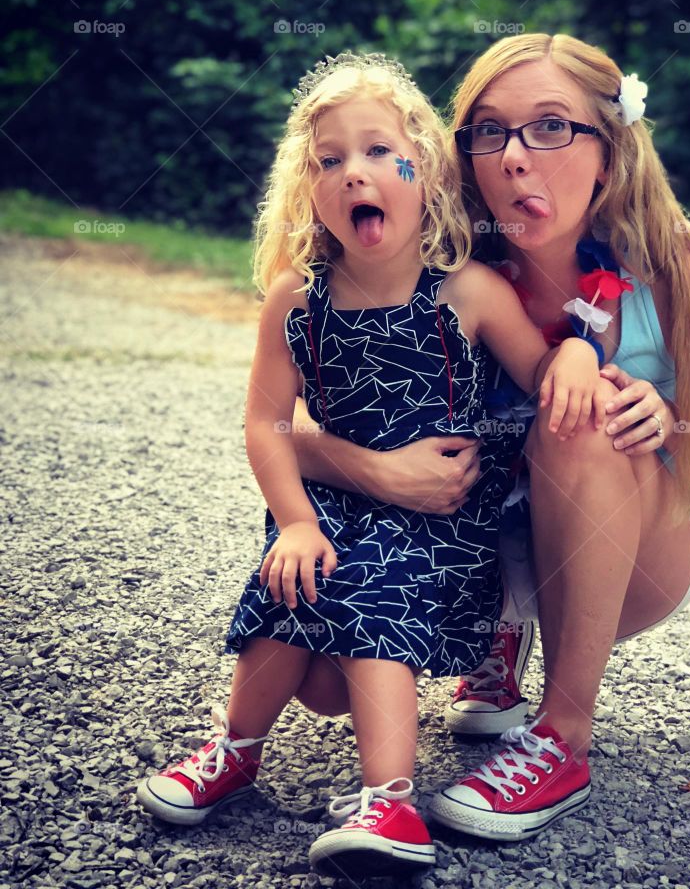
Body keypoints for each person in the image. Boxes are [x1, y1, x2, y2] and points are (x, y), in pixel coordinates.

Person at [287, 34, 690, 842]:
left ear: (611, 153)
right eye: (489, 130)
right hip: (468, 551)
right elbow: (290, 425)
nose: (515, 157)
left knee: (577, 419)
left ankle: (562, 739)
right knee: (320, 686)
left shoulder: (673, 271)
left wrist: (671, 420)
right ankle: (497, 637)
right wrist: (379, 472)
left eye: (551, 127)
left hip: (624, 555)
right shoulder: (435, 261)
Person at [133, 51, 603, 874]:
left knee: (366, 580)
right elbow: (266, 422)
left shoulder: (466, 293)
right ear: (305, 187)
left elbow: (538, 376)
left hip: (445, 521)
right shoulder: (297, 299)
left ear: (425, 170)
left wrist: (575, 358)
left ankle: (389, 801)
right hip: (335, 507)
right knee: (298, 575)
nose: (357, 173)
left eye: (382, 152)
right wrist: (293, 522)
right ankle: (236, 749)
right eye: (330, 160)